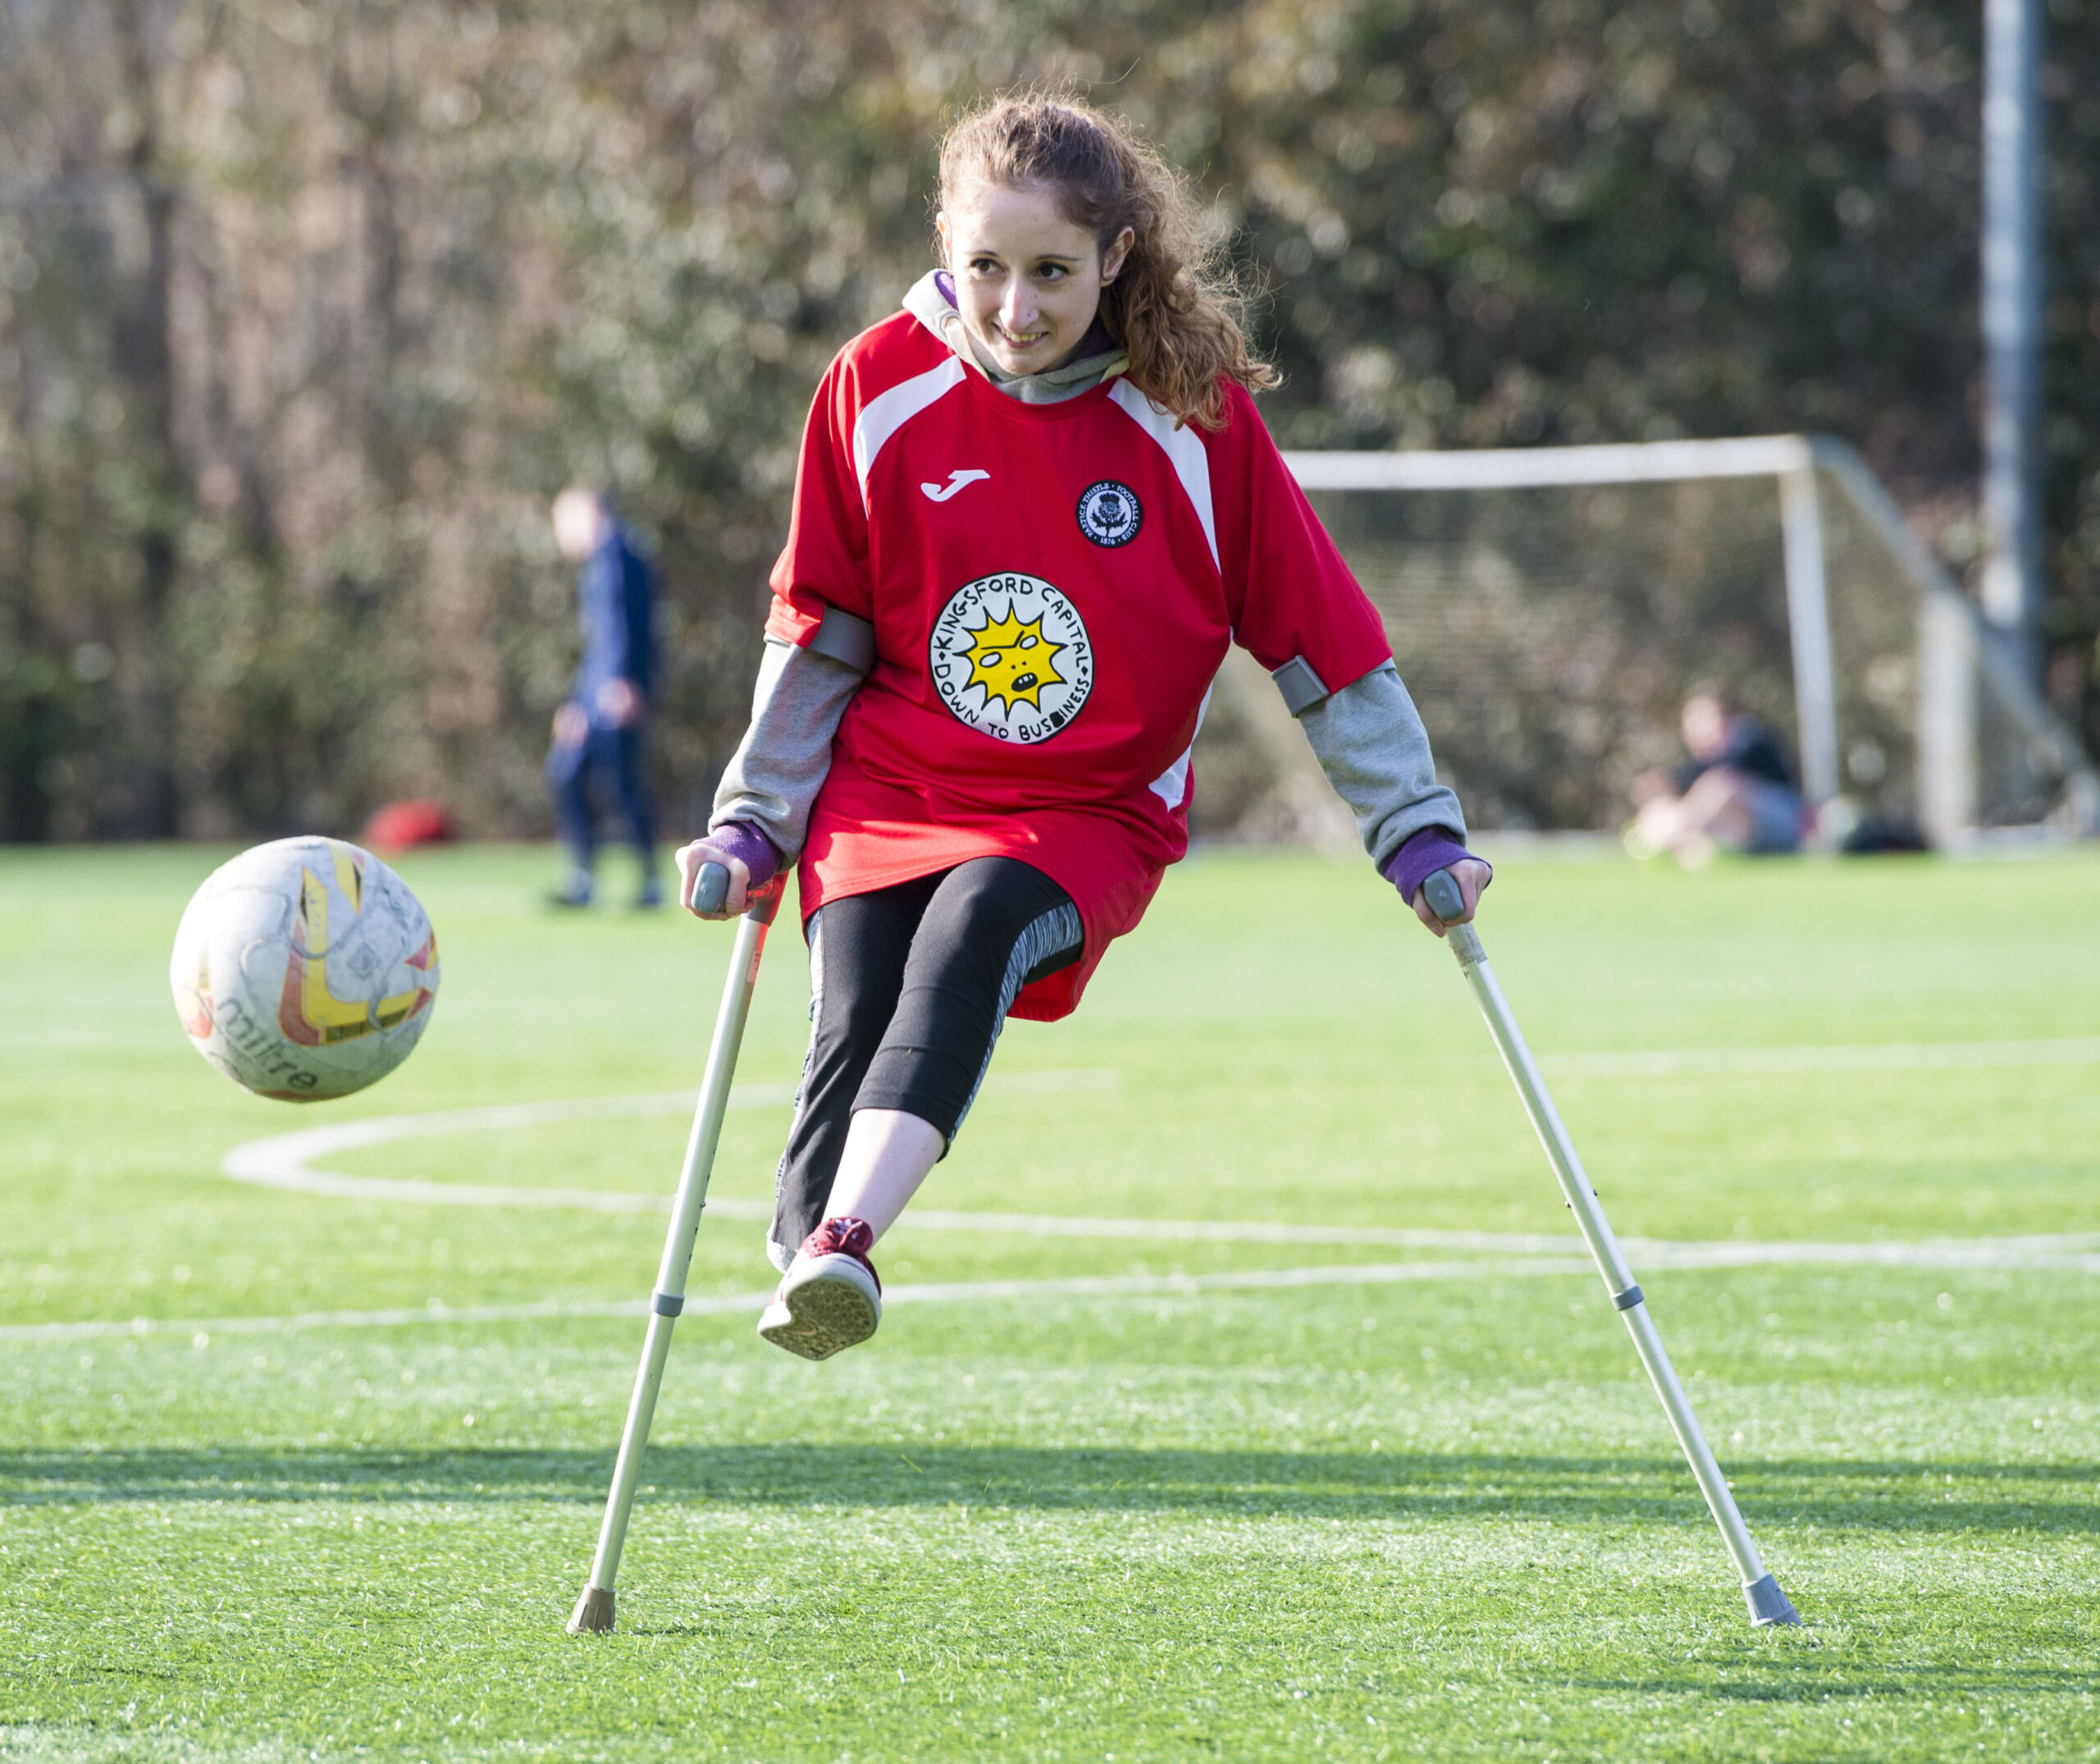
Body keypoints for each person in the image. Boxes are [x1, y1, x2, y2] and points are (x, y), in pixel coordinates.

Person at [673, 95, 1491, 1362]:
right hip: (890, 789)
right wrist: (752, 817)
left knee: (977, 928)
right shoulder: (871, 388)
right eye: (984, 268)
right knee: (853, 1011)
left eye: (1051, 271)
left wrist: (1415, 828)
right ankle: (814, 1247)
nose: (1015, 307)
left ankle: (843, 1247)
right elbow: (819, 628)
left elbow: (1318, 638)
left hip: (1086, 813)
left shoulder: (1196, 415)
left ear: (1114, 259)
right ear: (943, 246)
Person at [546, 487, 662, 907]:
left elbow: (629, 631)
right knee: (567, 772)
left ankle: (651, 883)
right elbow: (598, 644)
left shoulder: (621, 555)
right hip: (597, 693)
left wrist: (628, 684)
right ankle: (583, 879)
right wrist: (576, 704)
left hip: (616, 693)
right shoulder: (598, 563)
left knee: (624, 784)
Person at [1628, 685, 1806, 866]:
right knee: (1660, 806)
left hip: (1788, 826)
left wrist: (1678, 819)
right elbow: (1662, 785)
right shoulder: (1699, 764)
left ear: (1727, 720)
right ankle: (1687, 844)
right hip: (1737, 835)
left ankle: (1666, 839)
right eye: (1692, 721)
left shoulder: (1750, 745)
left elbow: (1725, 784)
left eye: (1705, 720)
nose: (1699, 729)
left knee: (1721, 786)